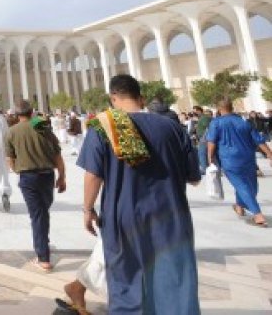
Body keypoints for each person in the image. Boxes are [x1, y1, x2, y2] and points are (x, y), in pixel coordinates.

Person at [79, 74, 201, 314]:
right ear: (141, 98)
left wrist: (88, 209)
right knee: (174, 277)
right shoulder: (172, 127)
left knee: (126, 280)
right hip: (170, 216)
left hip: (123, 216)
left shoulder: (103, 127)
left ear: (113, 98)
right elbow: (194, 177)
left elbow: (93, 175)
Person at [5, 100, 65, 273]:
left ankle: (43, 257)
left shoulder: (12, 132)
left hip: (28, 178)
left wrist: (17, 169)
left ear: (16, 115)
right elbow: (57, 155)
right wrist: (62, 177)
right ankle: (43, 245)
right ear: (31, 112)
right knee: (42, 213)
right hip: (47, 175)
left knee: (39, 216)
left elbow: (10, 158)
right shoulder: (42, 127)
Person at [207, 97, 272, 227]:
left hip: (229, 159)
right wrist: (269, 153)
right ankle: (242, 207)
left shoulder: (216, 123)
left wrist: (210, 158)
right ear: (232, 107)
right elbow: (258, 139)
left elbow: (211, 142)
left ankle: (256, 213)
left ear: (219, 109)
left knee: (242, 185)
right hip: (247, 158)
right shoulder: (244, 121)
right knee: (250, 185)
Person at [195, 105, 212, 174]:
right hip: (203, 138)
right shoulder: (201, 118)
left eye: (195, 111)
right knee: (204, 153)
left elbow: (207, 128)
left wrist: (204, 137)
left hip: (204, 138)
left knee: (201, 153)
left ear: (199, 111)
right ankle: (206, 167)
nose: (194, 112)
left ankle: (204, 169)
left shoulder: (204, 118)